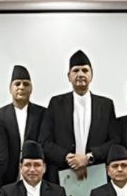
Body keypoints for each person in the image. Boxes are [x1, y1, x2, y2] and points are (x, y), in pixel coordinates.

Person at [39, 50, 118, 181]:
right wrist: (68, 158)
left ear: (91, 75)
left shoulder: (106, 105)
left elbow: (115, 141)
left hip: (96, 174)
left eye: (85, 70)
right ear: (69, 76)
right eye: (76, 70)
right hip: (62, 175)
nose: (80, 74)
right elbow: (44, 142)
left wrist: (89, 157)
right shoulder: (56, 104)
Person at [0, 65, 45, 185]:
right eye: (17, 84)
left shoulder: (42, 113)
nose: (21, 87)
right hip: (7, 175)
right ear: (10, 88)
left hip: (35, 173)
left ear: (31, 88)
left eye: (26, 84)